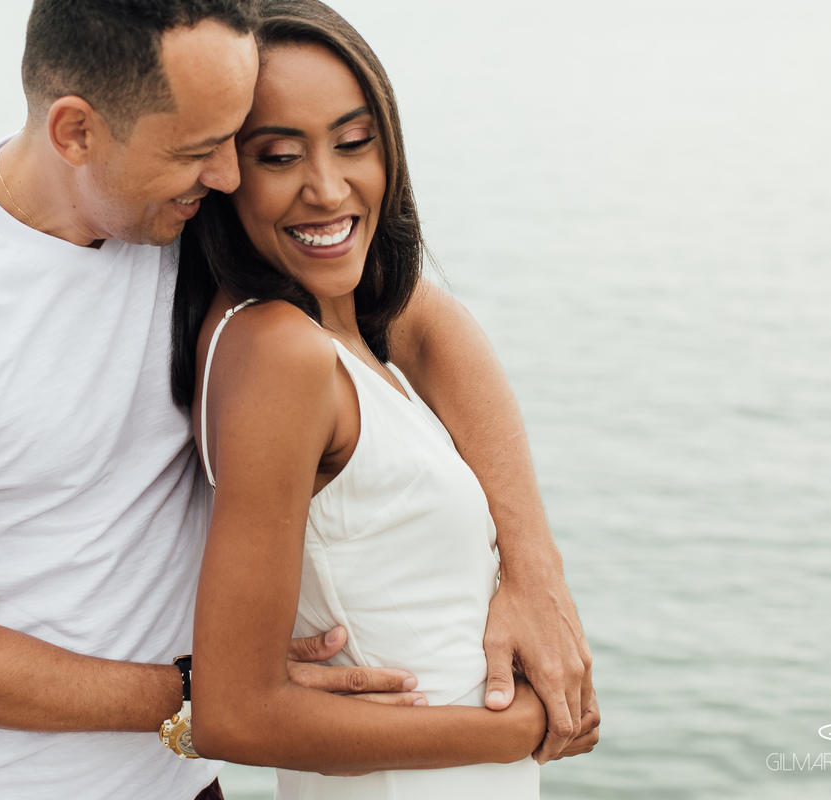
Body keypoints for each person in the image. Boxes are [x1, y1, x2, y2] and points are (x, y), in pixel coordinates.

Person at [0, 2, 596, 799]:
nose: (228, 175)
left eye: (235, 144)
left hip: (186, 789)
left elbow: (420, 315)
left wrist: (534, 570)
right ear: (76, 133)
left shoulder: (182, 217)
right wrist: (199, 693)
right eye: (200, 149)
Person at [172, 2, 593, 797]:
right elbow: (234, 712)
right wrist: (520, 729)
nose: (328, 188)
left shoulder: (336, 321)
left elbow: (434, 321)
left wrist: (536, 572)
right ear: (226, 172)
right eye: (279, 156)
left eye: (355, 142)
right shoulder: (279, 353)